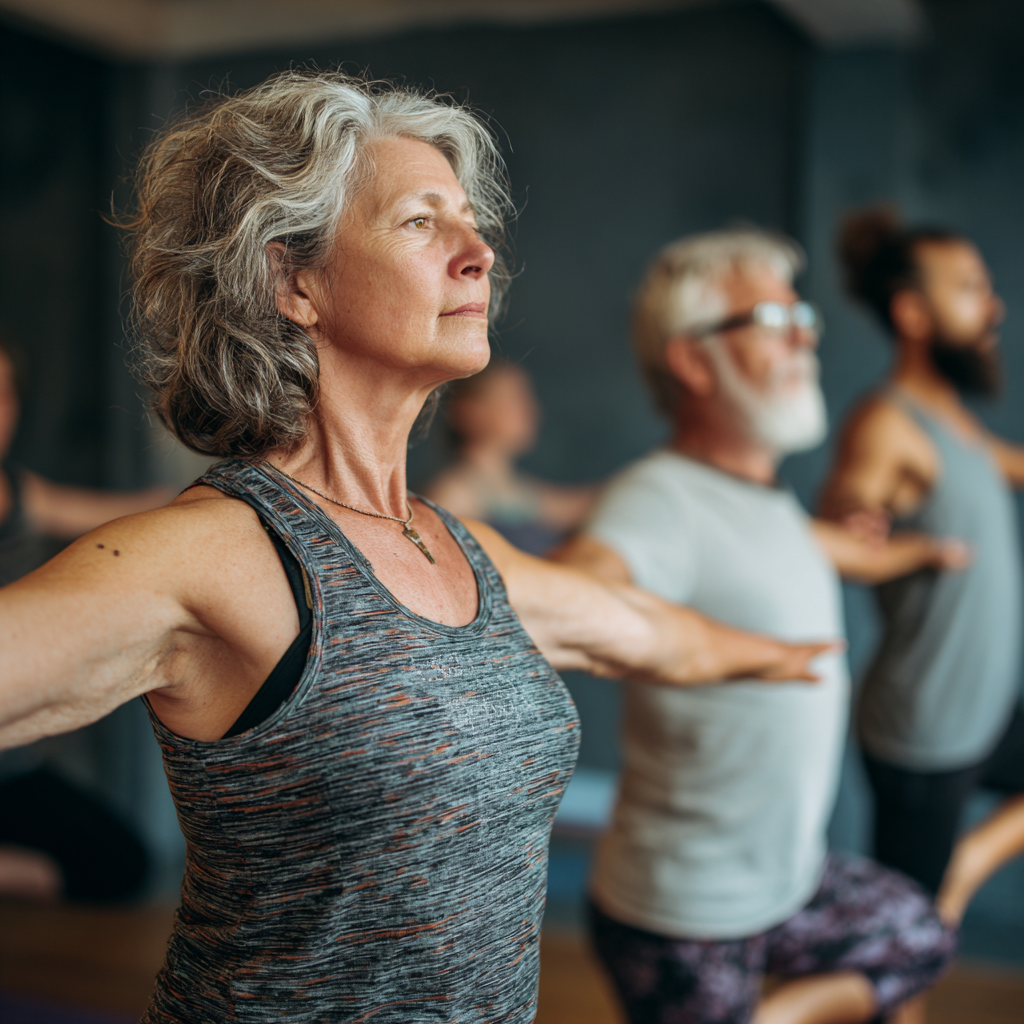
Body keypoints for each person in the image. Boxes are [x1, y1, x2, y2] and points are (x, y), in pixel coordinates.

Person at [0, 73, 833, 1023]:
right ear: (294, 282)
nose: (479, 254)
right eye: (420, 222)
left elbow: (639, 632)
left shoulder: (461, 550)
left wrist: (791, 654)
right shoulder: (216, 555)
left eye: (473, 224)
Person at [554, 229, 960, 1024]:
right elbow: (582, 584)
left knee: (920, 934)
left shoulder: (765, 499)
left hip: (785, 881)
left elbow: (820, 548)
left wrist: (919, 551)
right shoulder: (657, 498)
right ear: (694, 358)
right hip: (683, 914)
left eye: (804, 314)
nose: (806, 334)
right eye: (774, 319)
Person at [822, 208, 1024, 924]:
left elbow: (1009, 465)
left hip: (985, 709)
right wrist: (854, 519)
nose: (993, 307)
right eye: (969, 288)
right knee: (900, 947)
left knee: (917, 925)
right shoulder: (886, 423)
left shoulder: (955, 422)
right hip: (927, 729)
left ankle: (962, 865)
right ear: (912, 312)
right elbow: (840, 519)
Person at [0, 337, 170, 903]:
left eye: (4, 394)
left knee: (120, 862)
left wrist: (213, 498)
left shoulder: (19, 492)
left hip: (11, 768)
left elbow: (122, 512)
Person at [425, 359, 596, 554]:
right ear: (470, 411)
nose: (529, 410)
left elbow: (576, 506)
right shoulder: (454, 495)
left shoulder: (518, 488)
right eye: (513, 399)